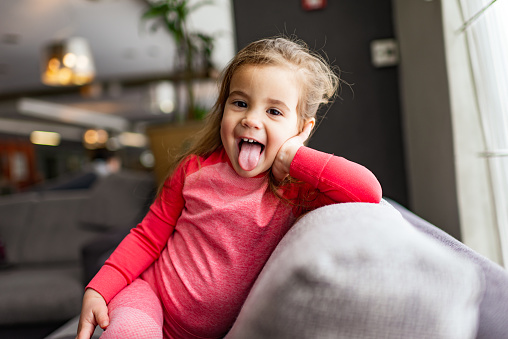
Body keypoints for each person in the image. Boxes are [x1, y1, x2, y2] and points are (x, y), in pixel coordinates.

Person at [76, 36, 383, 339]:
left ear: (302, 129)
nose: (250, 119)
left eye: (273, 111)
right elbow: (146, 239)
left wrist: (295, 156)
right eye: (240, 103)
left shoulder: (294, 191)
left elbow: (368, 192)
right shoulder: (194, 171)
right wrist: (99, 288)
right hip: (149, 298)